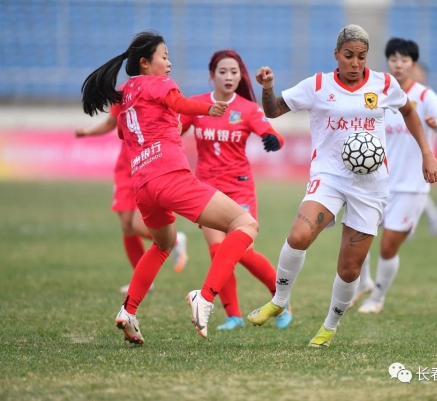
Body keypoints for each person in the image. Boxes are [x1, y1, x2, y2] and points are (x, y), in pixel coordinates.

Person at [246, 25, 437, 347]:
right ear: (336, 54)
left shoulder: (384, 84)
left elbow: (409, 112)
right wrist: (268, 87)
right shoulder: (317, 85)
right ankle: (279, 300)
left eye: (361, 56)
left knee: (350, 269)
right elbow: (273, 110)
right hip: (330, 177)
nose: (355, 62)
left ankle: (329, 326)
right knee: (299, 236)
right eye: (348, 55)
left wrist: (427, 154)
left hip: (370, 186)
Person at [81, 30, 259, 345]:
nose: (169, 63)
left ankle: (128, 311)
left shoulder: (126, 94)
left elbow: (124, 133)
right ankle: (205, 296)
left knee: (163, 244)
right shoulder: (160, 83)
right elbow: (178, 102)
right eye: (164, 57)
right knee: (245, 224)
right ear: (145, 62)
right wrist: (207, 109)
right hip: (170, 177)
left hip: (142, 186)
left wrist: (166, 124)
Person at [180, 49, 292, 330]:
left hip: (239, 188)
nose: (229, 77)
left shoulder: (248, 108)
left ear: (241, 76)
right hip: (207, 190)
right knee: (218, 252)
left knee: (242, 252)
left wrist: (273, 139)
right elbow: (172, 130)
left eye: (234, 72)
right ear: (212, 75)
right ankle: (234, 316)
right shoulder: (197, 105)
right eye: (223, 72)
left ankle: (281, 300)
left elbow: (273, 133)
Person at [351, 38, 437, 313]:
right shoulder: (378, 93)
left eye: (404, 60)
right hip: (377, 182)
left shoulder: (425, 96)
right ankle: (364, 283)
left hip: (411, 186)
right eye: (393, 59)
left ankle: (377, 298)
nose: (398, 65)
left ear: (414, 64)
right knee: (358, 235)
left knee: (387, 247)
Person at [76, 104, 188, 294]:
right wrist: (87, 132)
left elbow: (175, 121)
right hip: (125, 168)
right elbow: (111, 123)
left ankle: (175, 240)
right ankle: (143, 281)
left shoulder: (157, 94)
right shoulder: (122, 95)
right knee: (126, 225)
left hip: (148, 164)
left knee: (138, 224)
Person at [411, 62, 437, 237]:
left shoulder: (427, 95)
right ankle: (407, 225)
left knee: (417, 187)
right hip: (407, 147)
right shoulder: (403, 93)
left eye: (418, 72)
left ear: (424, 75)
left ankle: (429, 218)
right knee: (407, 186)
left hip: (423, 149)